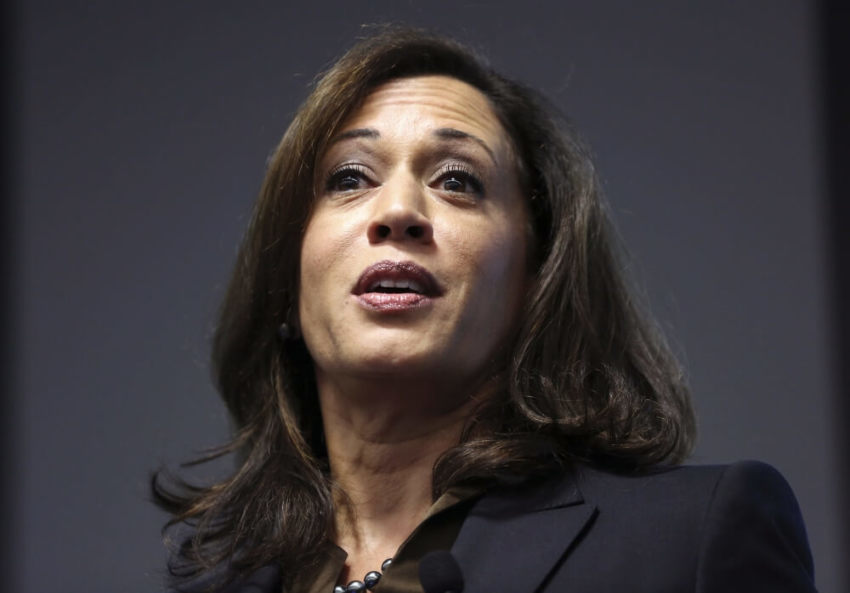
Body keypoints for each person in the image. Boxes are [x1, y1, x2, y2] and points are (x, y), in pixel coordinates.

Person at [153, 27, 817, 593]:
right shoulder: (216, 579)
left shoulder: (693, 538)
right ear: (289, 281)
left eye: (457, 180)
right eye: (351, 177)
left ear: (537, 276)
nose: (397, 212)